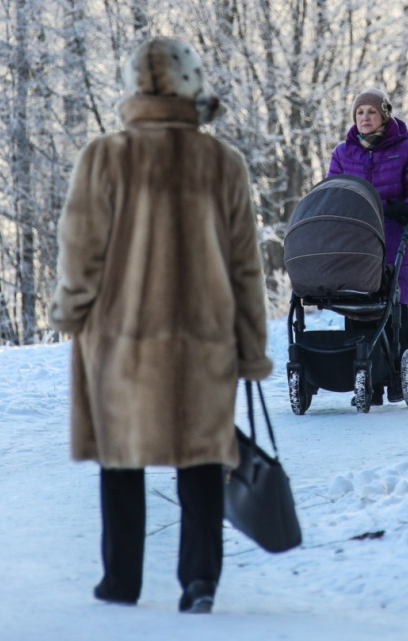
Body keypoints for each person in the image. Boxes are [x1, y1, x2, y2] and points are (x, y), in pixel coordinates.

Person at [48, 36, 271, 615]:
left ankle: (120, 581)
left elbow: (80, 251)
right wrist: (252, 347)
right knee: (202, 459)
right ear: (192, 85)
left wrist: (71, 310)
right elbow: (245, 267)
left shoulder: (104, 156)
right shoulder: (221, 162)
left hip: (121, 342)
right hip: (206, 340)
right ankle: (199, 581)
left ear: (132, 88)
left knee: (121, 456)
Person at [328, 88, 408, 402]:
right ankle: (366, 382)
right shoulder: (343, 153)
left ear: (384, 116)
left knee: (394, 306)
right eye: (360, 112)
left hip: (391, 236)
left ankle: (400, 377)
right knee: (357, 306)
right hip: (355, 240)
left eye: (371, 112)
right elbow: (331, 192)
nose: (365, 118)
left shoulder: (407, 150)